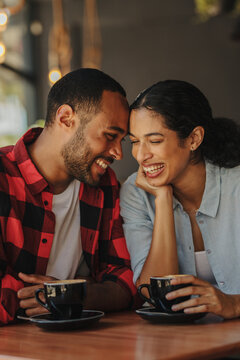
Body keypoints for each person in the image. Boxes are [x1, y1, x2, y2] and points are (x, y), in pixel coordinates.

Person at [0, 68, 137, 325]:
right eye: (110, 136)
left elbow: (127, 279)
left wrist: (72, 294)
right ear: (65, 118)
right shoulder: (3, 178)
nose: (119, 153)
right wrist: (80, 289)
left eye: (122, 140)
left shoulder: (104, 185)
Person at [120, 79, 240, 319]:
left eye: (154, 141)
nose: (141, 155)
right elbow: (153, 295)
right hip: (183, 345)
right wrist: (163, 199)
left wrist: (234, 304)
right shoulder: (136, 192)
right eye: (134, 141)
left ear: (194, 139)